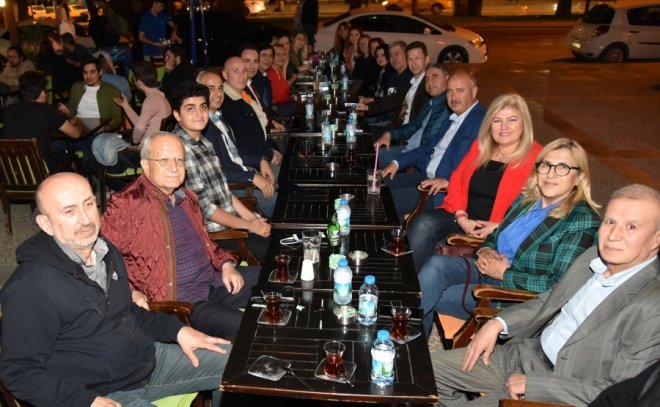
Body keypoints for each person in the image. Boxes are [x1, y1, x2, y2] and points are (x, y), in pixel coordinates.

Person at [0, 172, 230, 406]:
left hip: (147, 361)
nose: (85, 219)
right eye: (69, 211)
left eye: (88, 204)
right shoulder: (30, 287)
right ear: (46, 224)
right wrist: (84, 401)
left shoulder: (105, 250)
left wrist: (178, 331)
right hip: (100, 392)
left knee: (240, 364)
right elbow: (19, 373)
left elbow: (127, 311)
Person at [431, 184, 660, 406]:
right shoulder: (593, 256)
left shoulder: (653, 306)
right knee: (423, 371)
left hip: (560, 388)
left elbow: (622, 394)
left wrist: (537, 386)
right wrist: (498, 323)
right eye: (610, 221)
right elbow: (550, 299)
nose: (613, 235)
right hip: (527, 354)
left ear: (656, 239)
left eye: (632, 227)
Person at [419, 138, 601, 333]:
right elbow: (495, 234)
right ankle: (407, 335)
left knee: (432, 294)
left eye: (563, 167)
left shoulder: (581, 220)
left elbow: (559, 286)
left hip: (513, 294)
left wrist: (505, 274)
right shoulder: (526, 199)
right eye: (546, 165)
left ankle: (407, 338)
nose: (550, 174)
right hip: (487, 269)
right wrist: (486, 250)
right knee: (435, 266)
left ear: (579, 177)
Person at [101, 132, 259, 341]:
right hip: (183, 302)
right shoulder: (126, 204)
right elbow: (103, 257)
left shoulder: (187, 197)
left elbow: (208, 244)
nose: (174, 167)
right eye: (164, 160)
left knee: (275, 280)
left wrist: (226, 265)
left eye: (179, 160)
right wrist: (131, 292)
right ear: (146, 165)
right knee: (250, 327)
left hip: (213, 280)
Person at [408, 93, 543, 269]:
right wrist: (461, 217)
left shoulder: (537, 157)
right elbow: (457, 179)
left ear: (524, 123)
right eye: (497, 120)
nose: (504, 127)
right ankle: (405, 279)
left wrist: (500, 226)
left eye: (512, 119)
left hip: (496, 228)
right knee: (424, 223)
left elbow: (539, 206)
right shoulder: (481, 146)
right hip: (461, 215)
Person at [170, 81, 271, 260]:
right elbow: (204, 208)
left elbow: (223, 189)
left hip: (232, 222)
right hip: (215, 236)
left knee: (281, 237)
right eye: (190, 109)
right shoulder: (180, 151)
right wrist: (249, 225)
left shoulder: (204, 141)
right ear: (177, 115)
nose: (199, 114)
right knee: (277, 252)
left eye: (203, 107)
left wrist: (251, 218)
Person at [380, 69, 484, 221]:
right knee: (378, 183)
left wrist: (448, 181)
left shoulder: (481, 122)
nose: (453, 97)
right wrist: (397, 162)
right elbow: (427, 149)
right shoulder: (452, 118)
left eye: (460, 91)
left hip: (440, 191)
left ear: (474, 92)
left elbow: (476, 168)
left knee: (384, 202)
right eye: (449, 91)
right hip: (424, 176)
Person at [197, 70, 277, 217]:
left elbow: (234, 152)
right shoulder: (202, 127)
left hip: (243, 173)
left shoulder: (218, 118)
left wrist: (260, 160)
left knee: (284, 179)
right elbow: (218, 172)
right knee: (280, 202)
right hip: (232, 187)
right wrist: (252, 177)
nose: (218, 93)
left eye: (220, 88)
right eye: (211, 88)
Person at [1, 71, 83, 172]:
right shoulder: (47, 110)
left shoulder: (8, 110)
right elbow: (76, 134)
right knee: (67, 157)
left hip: (11, 172)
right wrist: (78, 120)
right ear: (42, 93)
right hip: (40, 170)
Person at [222, 56, 282, 166]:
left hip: (264, 150)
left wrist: (272, 149)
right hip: (252, 163)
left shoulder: (244, 95)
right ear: (225, 75)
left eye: (244, 71)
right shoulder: (226, 103)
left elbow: (259, 132)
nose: (242, 75)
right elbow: (242, 144)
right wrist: (269, 154)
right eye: (236, 71)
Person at [357, 41, 417, 127]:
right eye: (391, 55)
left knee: (360, 126)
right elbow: (385, 99)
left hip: (394, 123)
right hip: (382, 117)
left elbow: (395, 101)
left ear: (406, 55)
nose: (393, 58)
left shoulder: (411, 78)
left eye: (397, 54)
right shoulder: (392, 76)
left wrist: (369, 107)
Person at [114, 60, 171, 146]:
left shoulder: (151, 101)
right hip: (158, 145)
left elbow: (140, 127)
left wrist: (133, 142)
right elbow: (140, 123)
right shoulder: (161, 97)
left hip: (146, 149)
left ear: (139, 82)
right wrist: (126, 106)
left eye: (133, 77)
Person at [60, 56, 123, 133]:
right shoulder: (76, 87)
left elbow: (117, 117)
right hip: (78, 128)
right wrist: (66, 110)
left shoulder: (111, 91)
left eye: (92, 72)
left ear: (100, 72)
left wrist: (105, 126)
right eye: (85, 72)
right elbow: (72, 110)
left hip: (100, 131)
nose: (88, 76)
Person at [241, 44, 287, 133]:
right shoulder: (251, 81)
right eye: (264, 55)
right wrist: (270, 129)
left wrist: (272, 121)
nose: (267, 59)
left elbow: (264, 109)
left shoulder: (264, 78)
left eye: (270, 56)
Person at [267, 44, 295, 119]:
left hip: (285, 104)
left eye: (284, 54)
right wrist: (293, 99)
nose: (281, 57)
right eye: (278, 54)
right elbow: (279, 99)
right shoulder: (270, 72)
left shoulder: (279, 71)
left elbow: (286, 93)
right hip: (277, 109)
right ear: (272, 57)